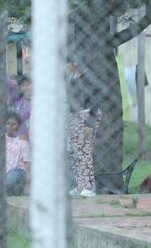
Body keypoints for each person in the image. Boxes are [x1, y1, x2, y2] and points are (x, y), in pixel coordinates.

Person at [66, 60, 102, 198]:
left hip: (86, 116)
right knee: (75, 152)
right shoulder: (71, 78)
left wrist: (90, 123)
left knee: (84, 150)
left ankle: (89, 186)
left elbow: (96, 100)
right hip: (74, 117)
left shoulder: (89, 78)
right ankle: (80, 184)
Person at [11, 76, 32, 140]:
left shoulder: (39, 102)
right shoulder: (17, 103)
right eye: (23, 86)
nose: (25, 88)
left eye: (27, 85)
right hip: (18, 139)